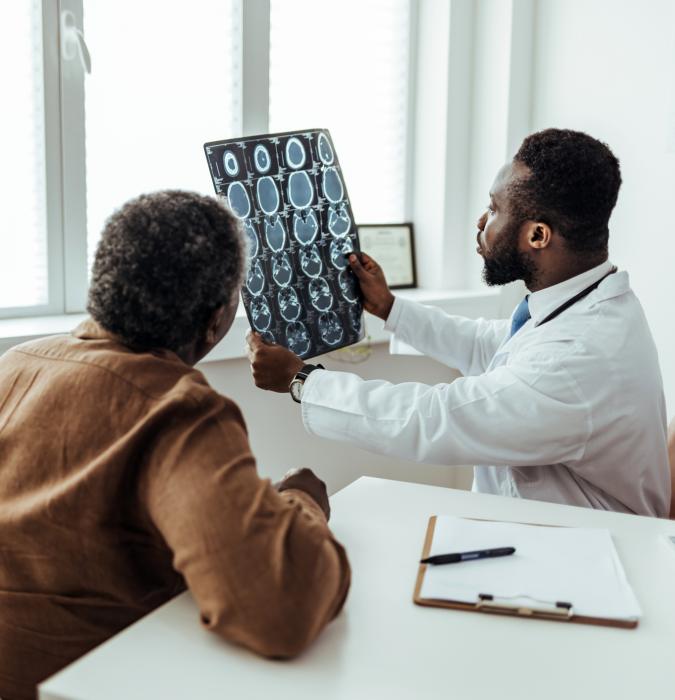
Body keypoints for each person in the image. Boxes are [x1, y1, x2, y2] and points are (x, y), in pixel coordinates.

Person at [0, 191, 350, 700]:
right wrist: (303, 504)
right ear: (215, 320)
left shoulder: (15, 366)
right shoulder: (174, 407)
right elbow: (280, 604)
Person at [248, 128, 670, 518]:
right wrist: (391, 308)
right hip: (550, 532)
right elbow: (493, 345)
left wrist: (303, 380)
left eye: (494, 208)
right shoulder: (587, 303)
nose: (481, 222)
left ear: (537, 236)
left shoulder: (580, 355)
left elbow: (437, 419)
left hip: (593, 557)